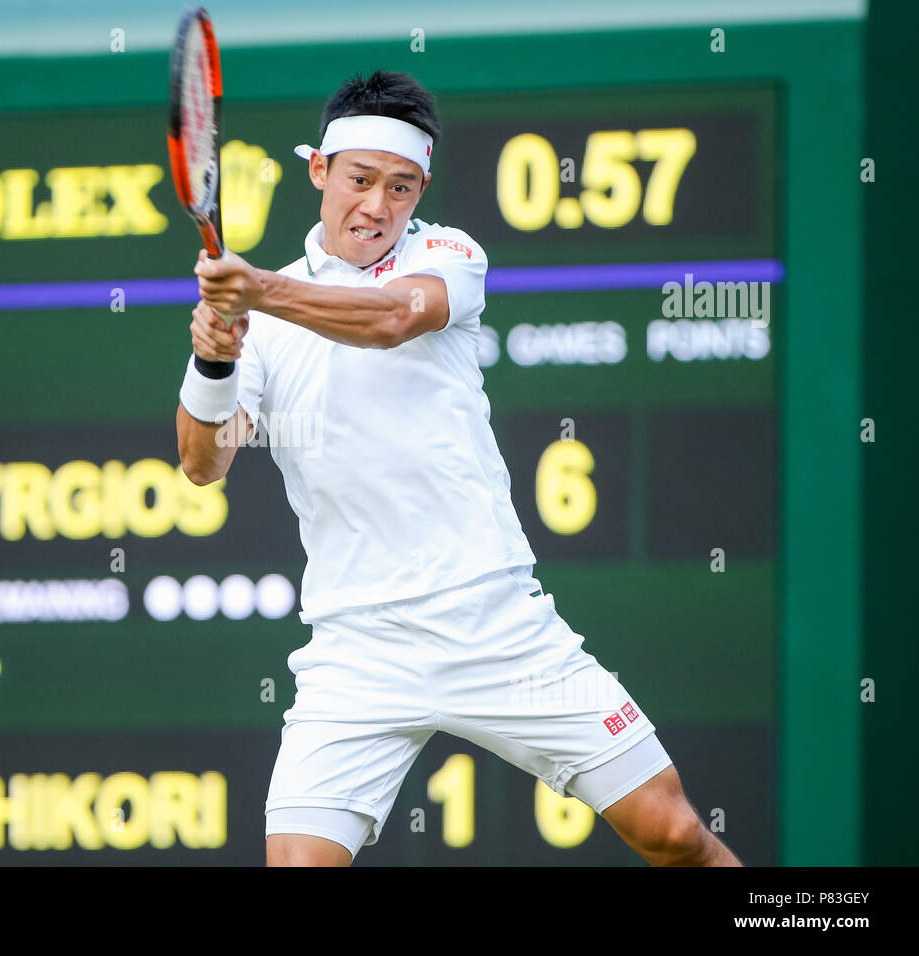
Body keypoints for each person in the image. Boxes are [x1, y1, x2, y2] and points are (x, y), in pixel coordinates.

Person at [175, 70, 741, 867]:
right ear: (319, 172)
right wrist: (212, 360)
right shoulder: (263, 321)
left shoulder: (449, 255)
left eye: (400, 187)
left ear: (422, 190)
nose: (377, 205)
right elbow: (205, 462)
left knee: (672, 831)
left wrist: (259, 292)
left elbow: (394, 319)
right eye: (360, 180)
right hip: (357, 648)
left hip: (493, 619)